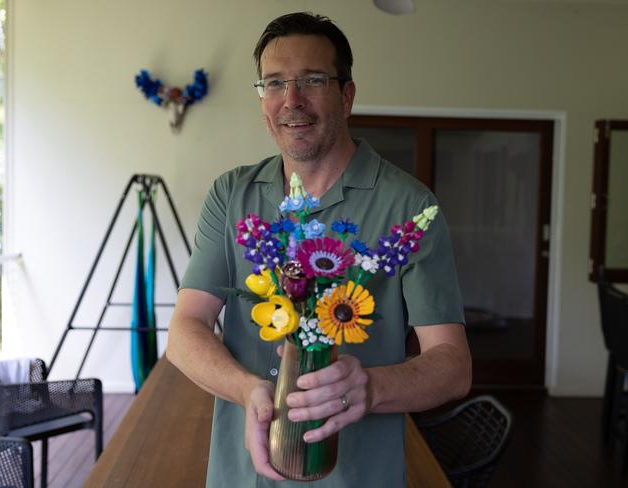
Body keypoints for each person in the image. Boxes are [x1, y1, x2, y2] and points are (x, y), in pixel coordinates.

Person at [167, 11, 471, 488]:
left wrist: (368, 388)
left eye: (311, 80)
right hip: (239, 474)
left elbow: (452, 366)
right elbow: (185, 329)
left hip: (357, 477)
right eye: (273, 83)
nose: (291, 100)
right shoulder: (231, 195)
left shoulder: (409, 207)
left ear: (346, 96)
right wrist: (249, 392)